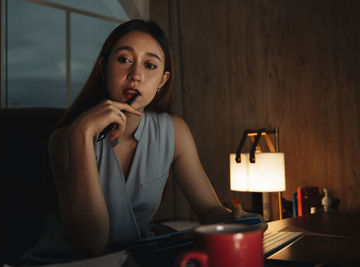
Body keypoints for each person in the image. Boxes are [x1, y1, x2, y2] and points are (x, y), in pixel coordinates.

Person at [21, 19, 250, 265]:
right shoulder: (67, 137)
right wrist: (82, 133)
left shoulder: (174, 131)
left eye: (150, 65)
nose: (136, 75)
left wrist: (237, 220)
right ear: (102, 67)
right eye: (124, 60)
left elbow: (208, 210)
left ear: (163, 80)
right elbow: (92, 242)